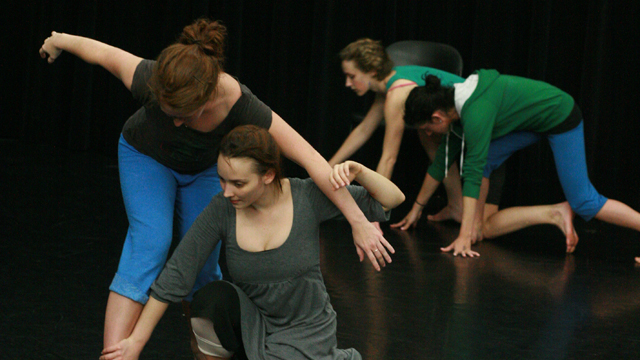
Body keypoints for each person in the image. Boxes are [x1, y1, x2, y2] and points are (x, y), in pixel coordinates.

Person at [38, 19, 394, 353]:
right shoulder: (150, 76)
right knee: (151, 242)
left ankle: (207, 355)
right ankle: (114, 356)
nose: (175, 122)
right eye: (168, 112)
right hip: (145, 157)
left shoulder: (240, 102)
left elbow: (314, 162)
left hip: (204, 171)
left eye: (184, 114)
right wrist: (57, 41)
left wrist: (358, 221)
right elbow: (101, 52)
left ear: (208, 98)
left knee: (205, 268)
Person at [99, 125, 405, 360]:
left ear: (268, 175)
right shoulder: (223, 208)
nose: (227, 191)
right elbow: (178, 273)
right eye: (222, 180)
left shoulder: (308, 196)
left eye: (239, 183)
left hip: (306, 331)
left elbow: (392, 200)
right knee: (210, 298)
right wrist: (134, 343)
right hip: (254, 324)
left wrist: (359, 171)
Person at [399, 70, 640, 260]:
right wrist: (416, 209)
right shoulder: (456, 105)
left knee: (584, 201)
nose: (428, 134)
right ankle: (477, 226)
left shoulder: (475, 113)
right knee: (484, 167)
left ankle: (473, 228)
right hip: (532, 122)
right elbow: (440, 162)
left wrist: (463, 237)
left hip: (560, 116)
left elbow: (472, 173)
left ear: (437, 117)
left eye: (427, 128)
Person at [330, 38, 464, 222]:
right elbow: (363, 130)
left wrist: (373, 216)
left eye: (352, 76)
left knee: (428, 136)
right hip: (450, 112)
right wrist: (328, 167)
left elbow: (389, 158)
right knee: (431, 140)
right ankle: (457, 206)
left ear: (372, 71)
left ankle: (458, 206)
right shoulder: (387, 86)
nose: (347, 83)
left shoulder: (397, 92)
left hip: (469, 113)